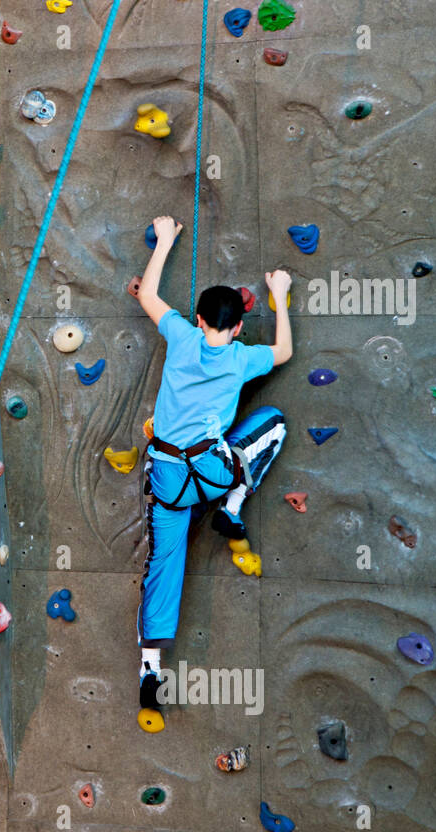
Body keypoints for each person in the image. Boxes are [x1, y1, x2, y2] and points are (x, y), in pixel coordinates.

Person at [129, 215, 292, 732]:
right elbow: (285, 352)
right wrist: (279, 295)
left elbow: (148, 294)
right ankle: (233, 506)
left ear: (198, 320)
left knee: (164, 563)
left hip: (169, 479)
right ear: (238, 327)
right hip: (213, 472)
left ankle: (150, 667)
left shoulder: (180, 336)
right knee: (273, 424)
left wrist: (166, 240)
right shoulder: (243, 358)